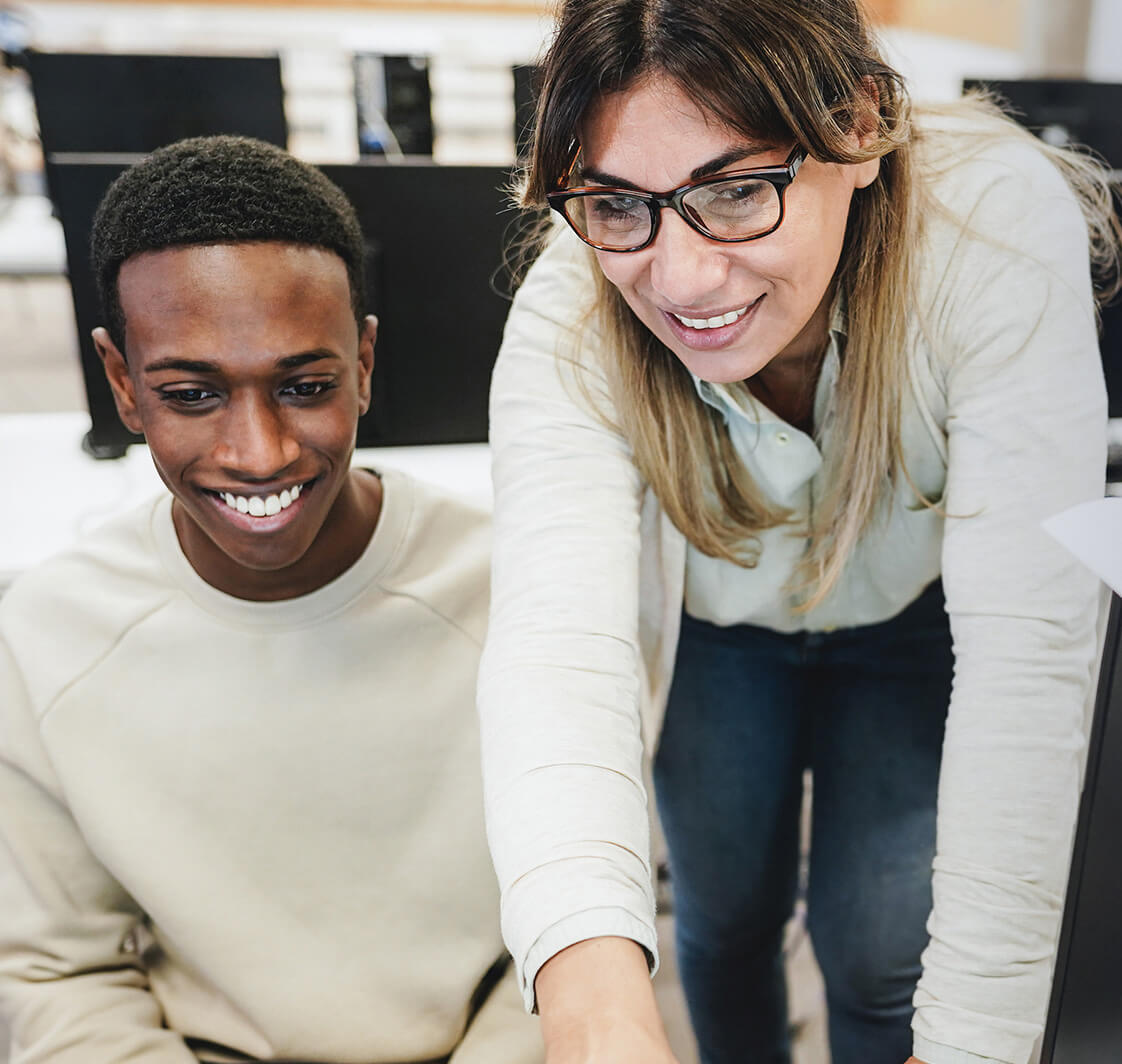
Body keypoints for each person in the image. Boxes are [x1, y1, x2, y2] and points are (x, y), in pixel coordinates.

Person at [476, 2, 1121, 1064]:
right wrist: (594, 1015)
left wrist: (969, 1042)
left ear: (858, 126)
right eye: (617, 203)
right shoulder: (572, 301)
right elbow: (555, 649)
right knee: (726, 925)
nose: (681, 279)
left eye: (737, 190)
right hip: (723, 637)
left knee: (881, 947)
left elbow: (1034, 656)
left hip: (909, 621)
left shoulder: (990, 223)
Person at [0, 135, 543, 1064]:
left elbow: (586, 925)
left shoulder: (520, 594)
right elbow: (57, 976)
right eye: (190, 393)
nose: (259, 453)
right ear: (123, 383)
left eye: (304, 386)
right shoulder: (46, 634)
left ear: (365, 363)